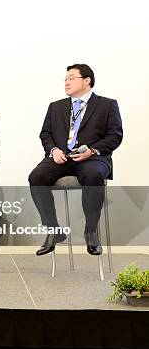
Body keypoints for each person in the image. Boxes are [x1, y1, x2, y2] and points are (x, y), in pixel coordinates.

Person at [29, 64, 123, 256]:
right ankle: (54, 231)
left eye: (71, 78)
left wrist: (93, 150)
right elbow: (45, 134)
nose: (66, 82)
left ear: (87, 81)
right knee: (36, 177)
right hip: (62, 157)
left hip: (92, 158)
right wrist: (53, 150)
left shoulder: (107, 105)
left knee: (93, 175)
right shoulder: (56, 107)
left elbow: (115, 135)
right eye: (65, 79)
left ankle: (91, 232)